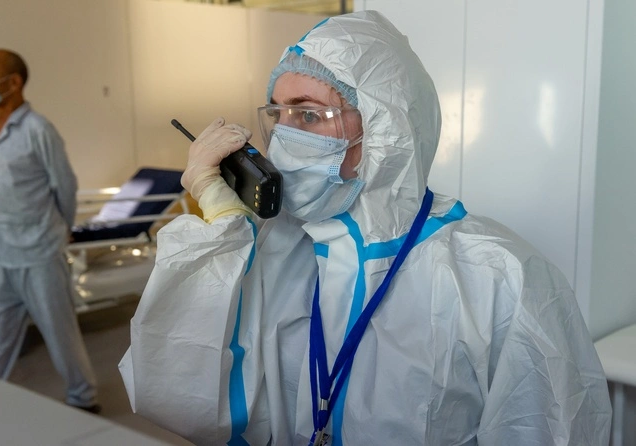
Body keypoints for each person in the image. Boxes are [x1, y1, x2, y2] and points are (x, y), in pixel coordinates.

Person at [119, 11, 611, 445]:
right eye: (278, 114)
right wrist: (222, 230)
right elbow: (178, 393)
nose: (285, 137)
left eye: (308, 114)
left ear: (384, 129)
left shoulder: (496, 275)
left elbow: (549, 427)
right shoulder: (279, 246)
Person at [0, 49, 100, 413]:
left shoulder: (37, 130)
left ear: (13, 82)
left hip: (38, 252)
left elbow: (65, 185)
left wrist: (62, 228)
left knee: (60, 333)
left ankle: (84, 398)